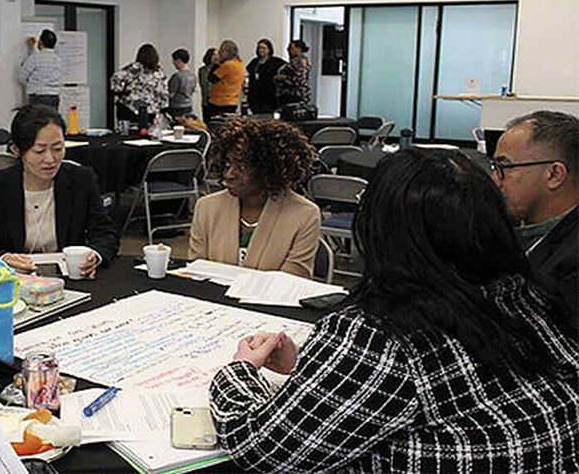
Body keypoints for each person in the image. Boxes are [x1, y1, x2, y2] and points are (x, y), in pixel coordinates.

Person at [209, 148, 579, 472]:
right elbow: (458, 387)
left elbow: (260, 447)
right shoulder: (527, 298)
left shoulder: (382, 333)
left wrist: (240, 371)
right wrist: (308, 369)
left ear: (381, 229)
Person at [0, 104, 118, 276]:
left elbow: (105, 234)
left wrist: (95, 256)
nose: (50, 159)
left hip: (69, 276)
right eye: (39, 151)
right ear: (17, 149)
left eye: (58, 148)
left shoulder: (81, 180)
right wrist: (2, 258)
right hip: (13, 279)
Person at [189, 118, 320, 278]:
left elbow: (292, 280)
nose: (229, 175)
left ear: (268, 171)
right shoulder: (207, 207)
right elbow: (196, 272)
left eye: (242, 167)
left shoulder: (304, 214)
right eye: (228, 165)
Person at [491, 110, 577, 341]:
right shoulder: (520, 229)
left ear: (554, 174)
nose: (495, 180)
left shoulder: (571, 265)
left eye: (504, 168)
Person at [110, 44, 168, 130]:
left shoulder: (133, 69)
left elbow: (116, 79)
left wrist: (122, 92)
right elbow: (164, 93)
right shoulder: (159, 72)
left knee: (127, 133)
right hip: (151, 111)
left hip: (130, 108)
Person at [18, 29, 62, 111]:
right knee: (51, 121)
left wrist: (32, 84)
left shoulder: (34, 58)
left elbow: (21, 77)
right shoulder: (58, 59)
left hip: (38, 97)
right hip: (54, 96)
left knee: (38, 121)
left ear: (41, 42)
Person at [206, 40, 245, 123]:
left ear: (228, 52)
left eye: (222, 50)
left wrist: (216, 63)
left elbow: (211, 78)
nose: (220, 53)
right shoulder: (240, 64)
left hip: (219, 101)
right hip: (232, 101)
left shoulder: (227, 65)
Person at [244, 39, 287, 114]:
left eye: (264, 48)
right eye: (259, 48)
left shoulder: (276, 62)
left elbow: (287, 68)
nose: (261, 50)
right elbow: (247, 72)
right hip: (255, 97)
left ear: (269, 50)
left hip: (269, 97)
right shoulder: (254, 62)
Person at [275, 39, 312, 106]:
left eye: (291, 48)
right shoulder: (294, 62)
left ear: (298, 49)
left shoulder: (301, 62)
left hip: (296, 97)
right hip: (288, 96)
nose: (288, 50)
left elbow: (301, 80)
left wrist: (284, 78)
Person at [164, 48, 196, 120]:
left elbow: (172, 94)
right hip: (189, 106)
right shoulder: (193, 75)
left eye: (174, 61)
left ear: (179, 61)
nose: (173, 64)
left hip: (177, 107)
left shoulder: (177, 76)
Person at [197, 48, 216, 121]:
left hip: (216, 100)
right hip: (206, 101)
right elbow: (202, 84)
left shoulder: (220, 69)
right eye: (213, 55)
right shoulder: (202, 70)